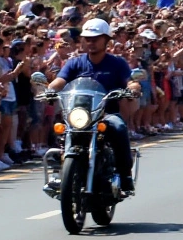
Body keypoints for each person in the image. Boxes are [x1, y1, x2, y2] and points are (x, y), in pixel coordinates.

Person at [46, 19, 140, 195]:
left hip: (106, 113)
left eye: (96, 38)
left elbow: (130, 81)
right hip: (79, 114)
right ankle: (60, 172)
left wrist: (133, 88)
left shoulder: (117, 63)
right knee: (61, 130)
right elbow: (60, 80)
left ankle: (125, 175)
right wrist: (49, 89)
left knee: (119, 128)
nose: (91, 42)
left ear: (106, 40)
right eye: (87, 38)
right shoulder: (75, 63)